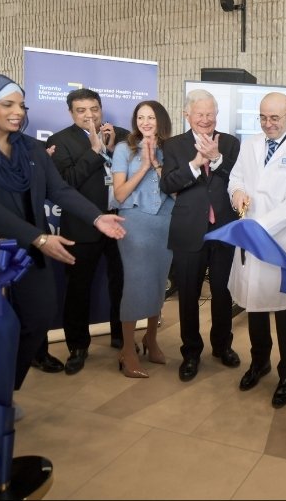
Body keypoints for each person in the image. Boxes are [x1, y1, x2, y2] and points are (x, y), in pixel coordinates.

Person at [0, 74, 125, 451]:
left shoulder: (31, 150)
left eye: (22, 105)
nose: (19, 112)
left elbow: (60, 189)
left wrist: (96, 217)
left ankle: (3, 391)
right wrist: (39, 236)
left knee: (36, 321)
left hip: (28, 250)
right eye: (8, 105)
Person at [228, 92, 286, 408]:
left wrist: (259, 226)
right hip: (252, 241)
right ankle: (259, 362)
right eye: (263, 117)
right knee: (255, 304)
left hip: (282, 241)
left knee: (283, 309)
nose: (268, 124)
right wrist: (236, 191)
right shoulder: (250, 144)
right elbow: (236, 176)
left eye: (274, 118)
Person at [46, 88, 130, 374]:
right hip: (82, 226)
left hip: (121, 222)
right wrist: (95, 153)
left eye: (94, 108)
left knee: (122, 283)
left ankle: (122, 336)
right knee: (78, 289)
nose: (89, 115)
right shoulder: (61, 141)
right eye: (81, 110)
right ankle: (78, 347)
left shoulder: (122, 134)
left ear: (101, 108)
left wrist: (112, 147)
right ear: (71, 113)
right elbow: (64, 183)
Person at [160, 89, 241, 382]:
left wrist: (217, 158)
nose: (206, 120)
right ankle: (191, 353)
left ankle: (222, 346)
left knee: (223, 292)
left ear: (216, 115)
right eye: (200, 114)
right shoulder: (173, 146)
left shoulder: (230, 143)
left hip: (224, 228)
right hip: (188, 229)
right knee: (188, 295)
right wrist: (196, 163)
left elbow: (240, 179)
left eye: (210, 114)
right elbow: (167, 184)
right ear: (187, 116)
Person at [111, 101, 174, 378]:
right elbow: (120, 194)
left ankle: (151, 338)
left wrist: (158, 164)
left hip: (165, 222)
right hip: (134, 223)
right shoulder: (125, 149)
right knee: (136, 285)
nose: (145, 122)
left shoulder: (173, 151)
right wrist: (144, 166)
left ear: (161, 120)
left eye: (151, 117)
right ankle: (127, 350)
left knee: (159, 282)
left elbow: (178, 193)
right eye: (140, 117)